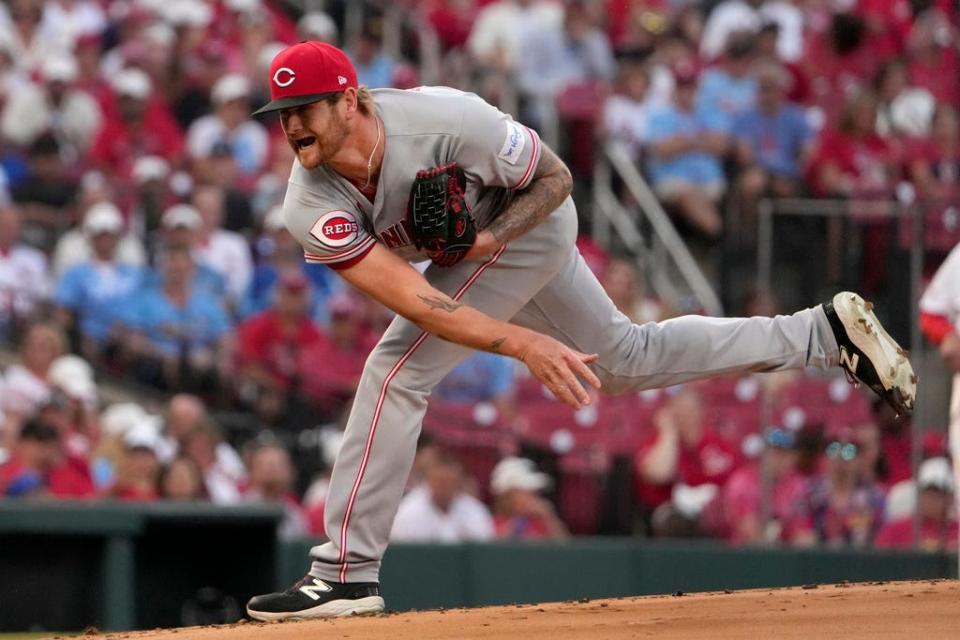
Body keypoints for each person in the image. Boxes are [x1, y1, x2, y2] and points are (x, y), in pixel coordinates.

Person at [245, 41, 915, 621]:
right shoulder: (308, 201)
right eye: (281, 115)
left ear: (351, 100)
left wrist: (488, 240)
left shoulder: (448, 119)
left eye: (304, 107)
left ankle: (343, 575)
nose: (291, 125)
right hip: (473, 262)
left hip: (527, 226)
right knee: (624, 358)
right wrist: (516, 332)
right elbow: (416, 300)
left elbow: (557, 178)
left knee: (395, 373)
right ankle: (822, 333)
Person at [389, 448, 494, 543]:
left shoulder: (475, 512)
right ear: (429, 478)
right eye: (440, 480)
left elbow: (485, 554)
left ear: (459, 481)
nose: (444, 486)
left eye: (449, 481)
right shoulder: (407, 512)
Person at [875, 457, 958, 551]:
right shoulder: (895, 530)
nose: (933, 498)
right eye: (929, 492)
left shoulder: (957, 531)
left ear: (951, 497)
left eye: (941, 493)